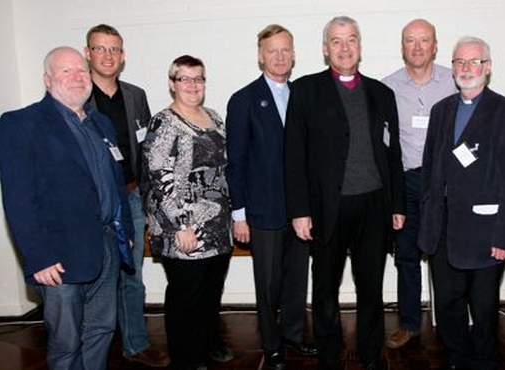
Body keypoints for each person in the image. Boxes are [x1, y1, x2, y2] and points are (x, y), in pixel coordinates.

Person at [0, 46, 136, 370]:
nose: (77, 77)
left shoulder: (101, 123)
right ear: (48, 79)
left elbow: (117, 183)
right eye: (66, 71)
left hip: (106, 248)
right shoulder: (21, 124)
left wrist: (126, 232)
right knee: (66, 342)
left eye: (81, 71)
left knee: (102, 330)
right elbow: (18, 199)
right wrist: (38, 257)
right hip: (58, 258)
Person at [284, 15, 405, 370]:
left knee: (371, 289)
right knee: (324, 289)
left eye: (351, 39)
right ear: (325, 49)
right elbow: (293, 155)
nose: (344, 47)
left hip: (373, 206)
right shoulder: (305, 91)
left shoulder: (382, 94)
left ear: (360, 46)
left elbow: (392, 153)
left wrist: (397, 204)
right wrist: (299, 210)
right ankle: (329, 353)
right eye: (336, 41)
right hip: (325, 208)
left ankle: (370, 354)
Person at [418, 37, 505, 370]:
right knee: (448, 302)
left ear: (487, 68)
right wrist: (427, 221)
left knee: (482, 306)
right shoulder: (441, 110)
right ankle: (458, 355)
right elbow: (429, 169)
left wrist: (504, 237)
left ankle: (483, 360)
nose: (465, 68)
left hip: (485, 229)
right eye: (459, 62)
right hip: (443, 226)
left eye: (474, 62)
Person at [226, 24, 317, 370]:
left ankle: (293, 334)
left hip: (299, 212)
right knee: (268, 284)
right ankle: (272, 343)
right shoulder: (244, 100)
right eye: (272, 51)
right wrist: (239, 214)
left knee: (297, 279)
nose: (279, 57)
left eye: (285, 50)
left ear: (293, 54)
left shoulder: (303, 96)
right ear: (260, 55)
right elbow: (235, 163)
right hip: (262, 212)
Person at [84, 23, 168, 368]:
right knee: (94, 277)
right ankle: (90, 349)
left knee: (132, 276)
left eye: (114, 49)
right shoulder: (77, 95)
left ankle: (135, 343)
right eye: (100, 48)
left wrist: (149, 201)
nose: (108, 55)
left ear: (123, 55)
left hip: (131, 197)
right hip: (91, 203)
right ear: (88, 53)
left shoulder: (136, 95)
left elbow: (147, 151)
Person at [143, 55, 234, 370]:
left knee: (210, 292)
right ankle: (186, 357)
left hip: (218, 225)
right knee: (186, 297)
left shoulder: (213, 116)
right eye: (185, 78)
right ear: (172, 83)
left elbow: (223, 170)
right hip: (183, 226)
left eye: (199, 78)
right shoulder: (163, 122)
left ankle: (208, 342)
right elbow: (161, 178)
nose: (193, 84)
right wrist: (181, 225)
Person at [381, 18, 457, 349]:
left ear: (435, 45)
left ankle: (452, 323)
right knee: (406, 256)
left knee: (447, 256)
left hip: (446, 184)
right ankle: (410, 323)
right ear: (402, 47)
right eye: (410, 41)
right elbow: (382, 141)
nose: (417, 47)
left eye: (424, 40)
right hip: (407, 183)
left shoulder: (455, 82)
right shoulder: (387, 88)